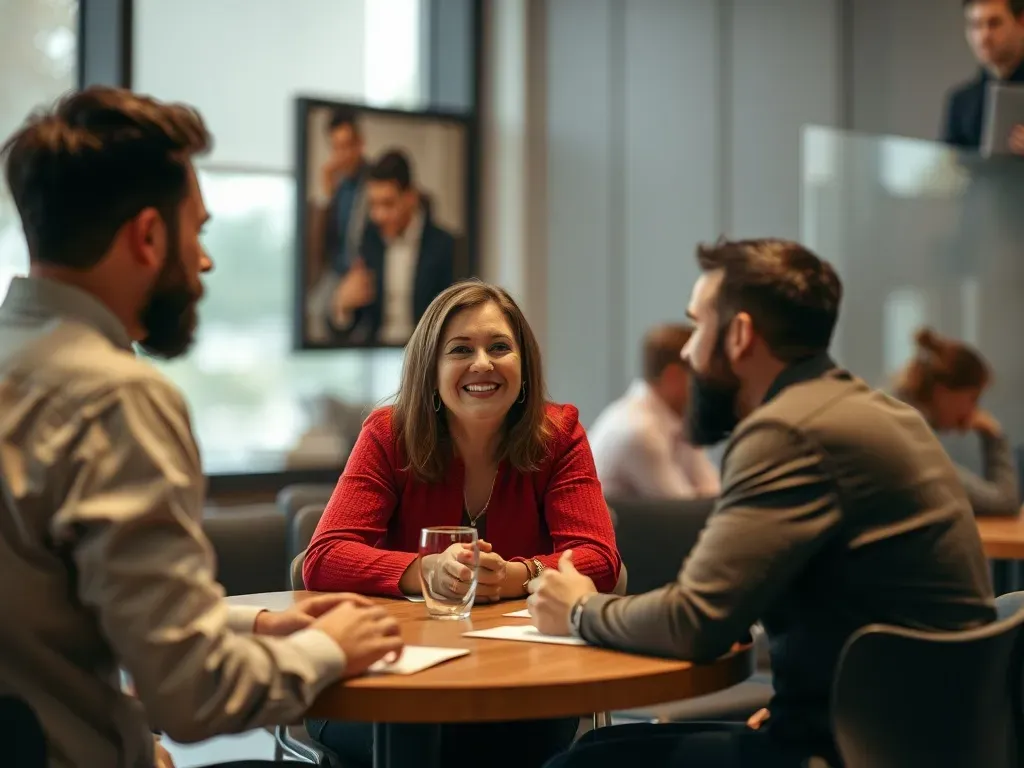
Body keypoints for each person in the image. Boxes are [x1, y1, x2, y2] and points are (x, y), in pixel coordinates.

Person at [0, 86, 405, 768]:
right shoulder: (114, 398)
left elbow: (61, 604)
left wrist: (262, 623)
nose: (206, 261)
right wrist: (330, 650)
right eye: (200, 231)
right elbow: (192, 693)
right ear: (149, 237)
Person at [529, 238, 996, 768]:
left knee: (574, 765)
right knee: (597, 747)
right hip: (918, 732)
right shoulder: (880, 412)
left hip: (864, 748)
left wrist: (578, 609)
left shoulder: (788, 430)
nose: (686, 351)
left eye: (698, 325)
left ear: (741, 335)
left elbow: (696, 623)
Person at [303, 279, 622, 767]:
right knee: (420, 734)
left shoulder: (559, 435)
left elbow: (599, 558)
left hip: (518, 684)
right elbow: (324, 557)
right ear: (430, 369)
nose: (483, 364)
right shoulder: (389, 435)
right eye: (460, 349)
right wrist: (424, 572)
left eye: (499, 347)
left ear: (524, 366)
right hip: (385, 683)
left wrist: (521, 576)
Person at [329, 149, 459, 346]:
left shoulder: (447, 246)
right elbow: (356, 322)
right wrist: (343, 306)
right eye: (373, 205)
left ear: (411, 197)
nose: (378, 215)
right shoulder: (369, 241)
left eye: (387, 204)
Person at [894, 328, 1020, 517]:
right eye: (973, 399)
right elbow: (1004, 502)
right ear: (943, 392)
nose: (974, 412)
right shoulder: (911, 439)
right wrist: (995, 437)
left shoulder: (895, 413)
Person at [588, 323, 720, 499]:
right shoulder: (637, 431)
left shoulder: (677, 420)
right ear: (673, 376)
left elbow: (713, 495)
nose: (712, 387)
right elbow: (684, 511)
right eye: (703, 375)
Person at [306, 107, 371, 344]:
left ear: (360, 143)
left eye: (348, 145)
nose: (343, 154)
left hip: (361, 271)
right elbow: (317, 242)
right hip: (336, 270)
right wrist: (325, 191)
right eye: (336, 147)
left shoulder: (375, 180)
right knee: (311, 311)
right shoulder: (338, 186)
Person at [943, 0, 1024, 151]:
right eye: (975, 25)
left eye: (994, 23)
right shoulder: (961, 101)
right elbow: (948, 169)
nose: (984, 36)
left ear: (1021, 22)